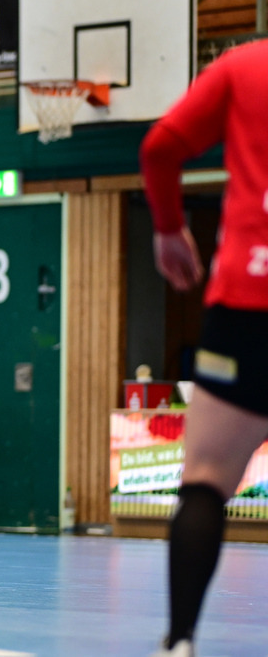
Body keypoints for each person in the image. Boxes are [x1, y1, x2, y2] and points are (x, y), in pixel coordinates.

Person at [140, 39, 268, 657]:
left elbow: (160, 147)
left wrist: (168, 228)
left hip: (247, 298)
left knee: (207, 482)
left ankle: (181, 642)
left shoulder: (245, 66)